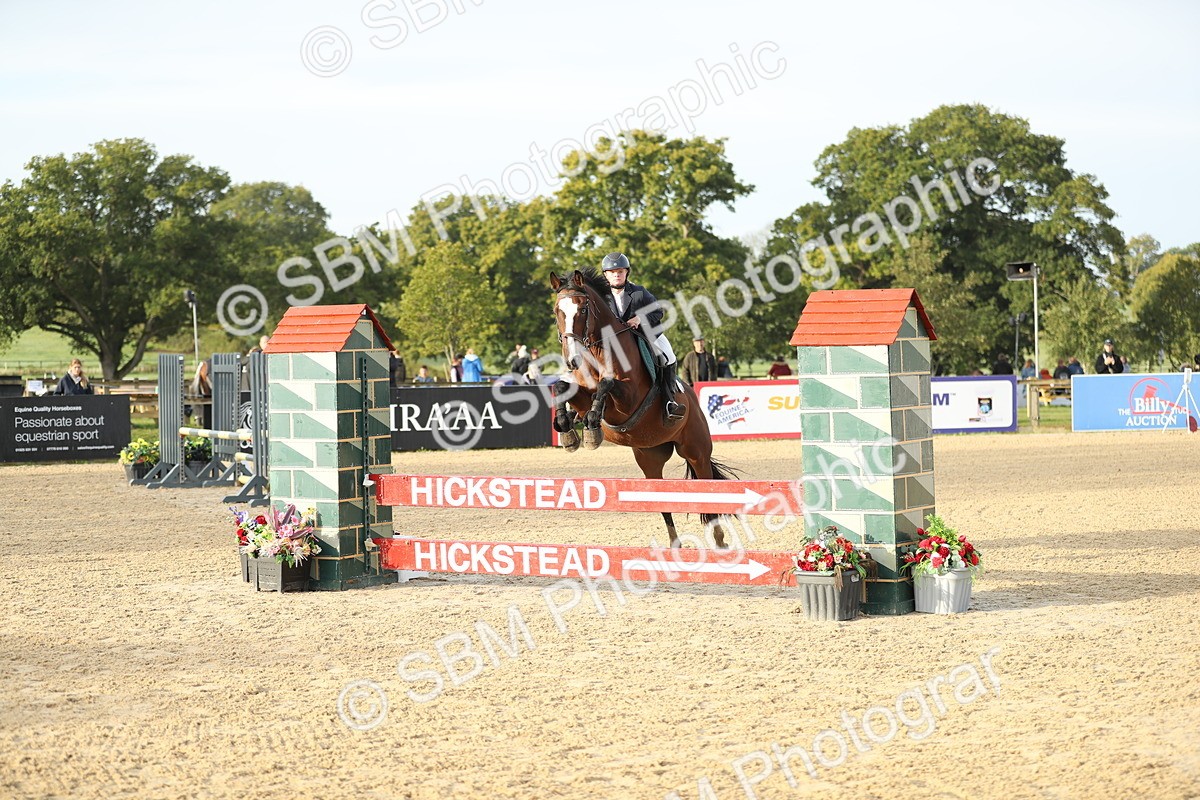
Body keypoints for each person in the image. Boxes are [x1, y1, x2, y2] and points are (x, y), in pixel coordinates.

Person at [599, 252, 683, 419]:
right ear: (606, 275)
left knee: (669, 357)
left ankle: (669, 401)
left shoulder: (639, 291)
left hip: (646, 334)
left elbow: (658, 312)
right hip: (615, 340)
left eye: (620, 271)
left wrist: (639, 318)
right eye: (612, 272)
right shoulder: (601, 297)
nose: (617, 275)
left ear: (626, 272)